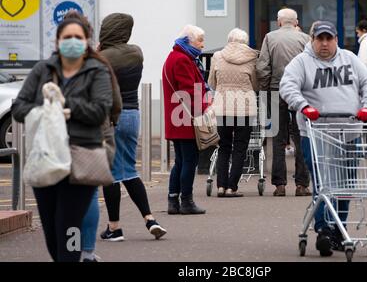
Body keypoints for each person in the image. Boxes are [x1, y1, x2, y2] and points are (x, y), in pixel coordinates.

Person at [12, 16, 113, 262]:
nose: (72, 42)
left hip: (80, 157)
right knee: (51, 229)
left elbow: (100, 110)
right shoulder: (43, 70)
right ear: (57, 41)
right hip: (46, 156)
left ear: (86, 41)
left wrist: (66, 105)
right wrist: (44, 109)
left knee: (70, 225)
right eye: (67, 37)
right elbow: (19, 108)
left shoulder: (96, 71)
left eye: (78, 38)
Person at [279, 20, 367, 257]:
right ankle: (324, 229)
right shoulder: (301, 62)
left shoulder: (350, 59)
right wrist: (303, 106)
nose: (324, 44)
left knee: (346, 186)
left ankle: (339, 230)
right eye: (319, 39)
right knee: (325, 184)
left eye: (328, 39)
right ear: (312, 40)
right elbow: (287, 86)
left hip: (350, 132)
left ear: (336, 40)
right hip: (317, 133)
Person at [98, 13, 167, 241]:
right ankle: (150, 219)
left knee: (111, 174)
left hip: (108, 116)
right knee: (129, 169)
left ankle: (114, 227)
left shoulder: (101, 56)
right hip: (132, 114)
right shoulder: (136, 52)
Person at [256, 8, 312, 197]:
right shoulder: (305, 39)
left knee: (278, 139)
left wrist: (266, 89)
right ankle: (302, 184)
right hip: (299, 92)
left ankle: (279, 185)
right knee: (301, 136)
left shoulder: (270, 38)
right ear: (296, 22)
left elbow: (262, 66)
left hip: (276, 90)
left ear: (279, 22)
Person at [162, 25, 209, 214]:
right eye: (200, 40)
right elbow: (189, 91)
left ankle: (173, 201)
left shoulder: (175, 56)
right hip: (185, 119)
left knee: (180, 161)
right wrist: (205, 109)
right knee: (189, 161)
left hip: (177, 118)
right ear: (188, 41)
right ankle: (186, 202)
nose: (203, 45)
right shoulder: (183, 59)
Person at [208, 28, 259, 197]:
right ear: (245, 41)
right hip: (245, 109)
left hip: (223, 107)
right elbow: (256, 84)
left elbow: (212, 83)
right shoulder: (252, 58)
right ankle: (232, 187)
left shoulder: (217, 56)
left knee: (223, 147)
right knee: (240, 148)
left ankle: (221, 187)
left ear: (229, 40)